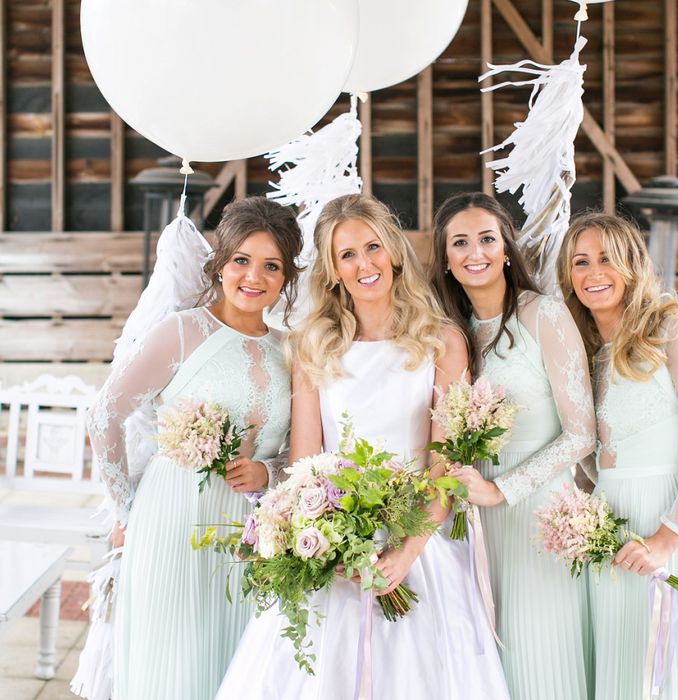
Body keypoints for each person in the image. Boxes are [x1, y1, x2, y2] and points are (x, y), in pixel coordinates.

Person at [217, 193, 508, 699]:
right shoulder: (312, 345)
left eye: (372, 247)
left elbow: (447, 468)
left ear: (393, 251)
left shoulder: (443, 341)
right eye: (346, 255)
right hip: (334, 544)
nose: (363, 264)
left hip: (420, 542)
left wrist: (403, 554)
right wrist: (319, 537)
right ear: (331, 270)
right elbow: (306, 464)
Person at [87, 196, 302, 700]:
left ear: (287, 276)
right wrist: (126, 507)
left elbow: (302, 446)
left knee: (237, 668)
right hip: (172, 520)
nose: (254, 276)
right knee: (174, 666)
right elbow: (103, 416)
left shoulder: (290, 348)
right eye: (241, 261)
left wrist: (268, 472)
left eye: (272, 266)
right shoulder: (182, 332)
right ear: (220, 263)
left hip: (252, 534)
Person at [430, 192, 595, 699]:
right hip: (470, 523)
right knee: (487, 663)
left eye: (486, 238)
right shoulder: (448, 332)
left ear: (505, 249)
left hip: (539, 514)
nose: (474, 251)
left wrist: (503, 489)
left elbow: (582, 432)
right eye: (460, 242)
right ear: (447, 259)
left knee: (539, 654)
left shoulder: (542, 314)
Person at [557, 212, 678, 700]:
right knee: (614, 674)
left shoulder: (675, 331)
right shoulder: (586, 351)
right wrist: (581, 508)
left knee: (659, 670)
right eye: (581, 262)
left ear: (632, 263)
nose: (593, 273)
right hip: (605, 536)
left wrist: (665, 541)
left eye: (606, 259)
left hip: (662, 523)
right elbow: (594, 451)